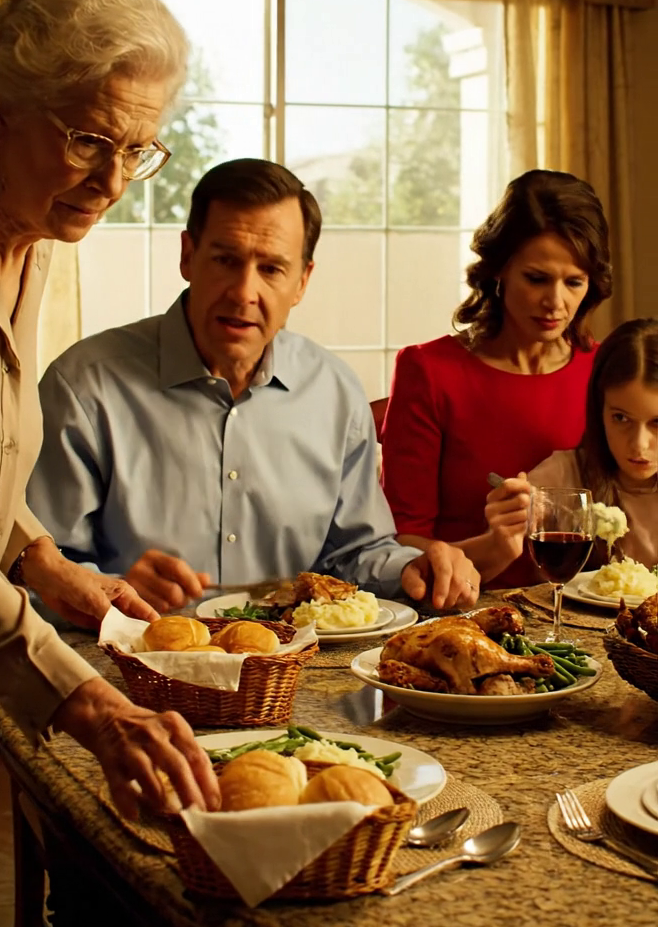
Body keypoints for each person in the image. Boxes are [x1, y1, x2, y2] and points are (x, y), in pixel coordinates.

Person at [0, 0, 222, 927]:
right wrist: (93, 705)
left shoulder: (31, 230)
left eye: (137, 149)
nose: (110, 180)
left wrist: (55, 568)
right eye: (88, 138)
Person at [27, 158, 480, 619]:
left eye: (271, 269)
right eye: (226, 260)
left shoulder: (334, 392)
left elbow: (354, 554)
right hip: (136, 668)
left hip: (292, 673)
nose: (244, 292)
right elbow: (31, 568)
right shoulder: (84, 387)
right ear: (187, 256)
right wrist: (113, 589)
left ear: (302, 281)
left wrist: (415, 568)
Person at [380, 169, 613, 588]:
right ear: (498, 270)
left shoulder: (606, 371)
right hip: (459, 614)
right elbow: (399, 543)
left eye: (574, 282)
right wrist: (494, 545)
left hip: (581, 613)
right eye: (536, 278)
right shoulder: (429, 371)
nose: (555, 302)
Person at [483, 318, 658, 576]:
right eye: (621, 418)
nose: (639, 444)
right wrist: (501, 537)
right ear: (599, 410)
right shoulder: (560, 479)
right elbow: (480, 574)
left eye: (657, 422)